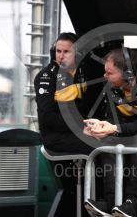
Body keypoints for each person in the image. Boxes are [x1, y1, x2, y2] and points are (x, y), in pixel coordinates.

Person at [34, 32, 115, 215]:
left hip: (82, 131)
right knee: (103, 147)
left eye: (66, 52)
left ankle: (111, 202)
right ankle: (106, 203)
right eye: (58, 51)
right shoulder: (46, 76)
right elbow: (47, 119)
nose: (61, 56)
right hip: (55, 137)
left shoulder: (84, 71)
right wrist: (81, 127)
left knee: (114, 141)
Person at [83, 48, 137, 217]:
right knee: (107, 143)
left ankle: (131, 204)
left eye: (110, 73)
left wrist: (115, 129)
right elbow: (113, 120)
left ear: (127, 74)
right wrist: (100, 127)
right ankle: (110, 201)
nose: (105, 76)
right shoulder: (110, 84)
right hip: (132, 130)